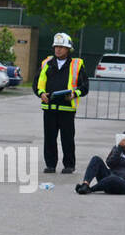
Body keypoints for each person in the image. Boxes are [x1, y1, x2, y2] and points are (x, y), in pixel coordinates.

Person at [35, 32, 89, 174]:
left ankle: (69, 165)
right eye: (56, 47)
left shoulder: (77, 65)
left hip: (67, 109)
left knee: (67, 139)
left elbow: (85, 87)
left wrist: (74, 94)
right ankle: (50, 165)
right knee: (50, 139)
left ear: (68, 49)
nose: (58, 49)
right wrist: (41, 94)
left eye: (61, 47)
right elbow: (37, 84)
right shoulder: (47, 63)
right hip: (50, 108)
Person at [77, 126, 125, 195]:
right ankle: (85, 185)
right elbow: (109, 164)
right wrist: (119, 149)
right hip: (109, 177)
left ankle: (90, 189)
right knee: (96, 159)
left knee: (113, 179)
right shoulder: (118, 148)